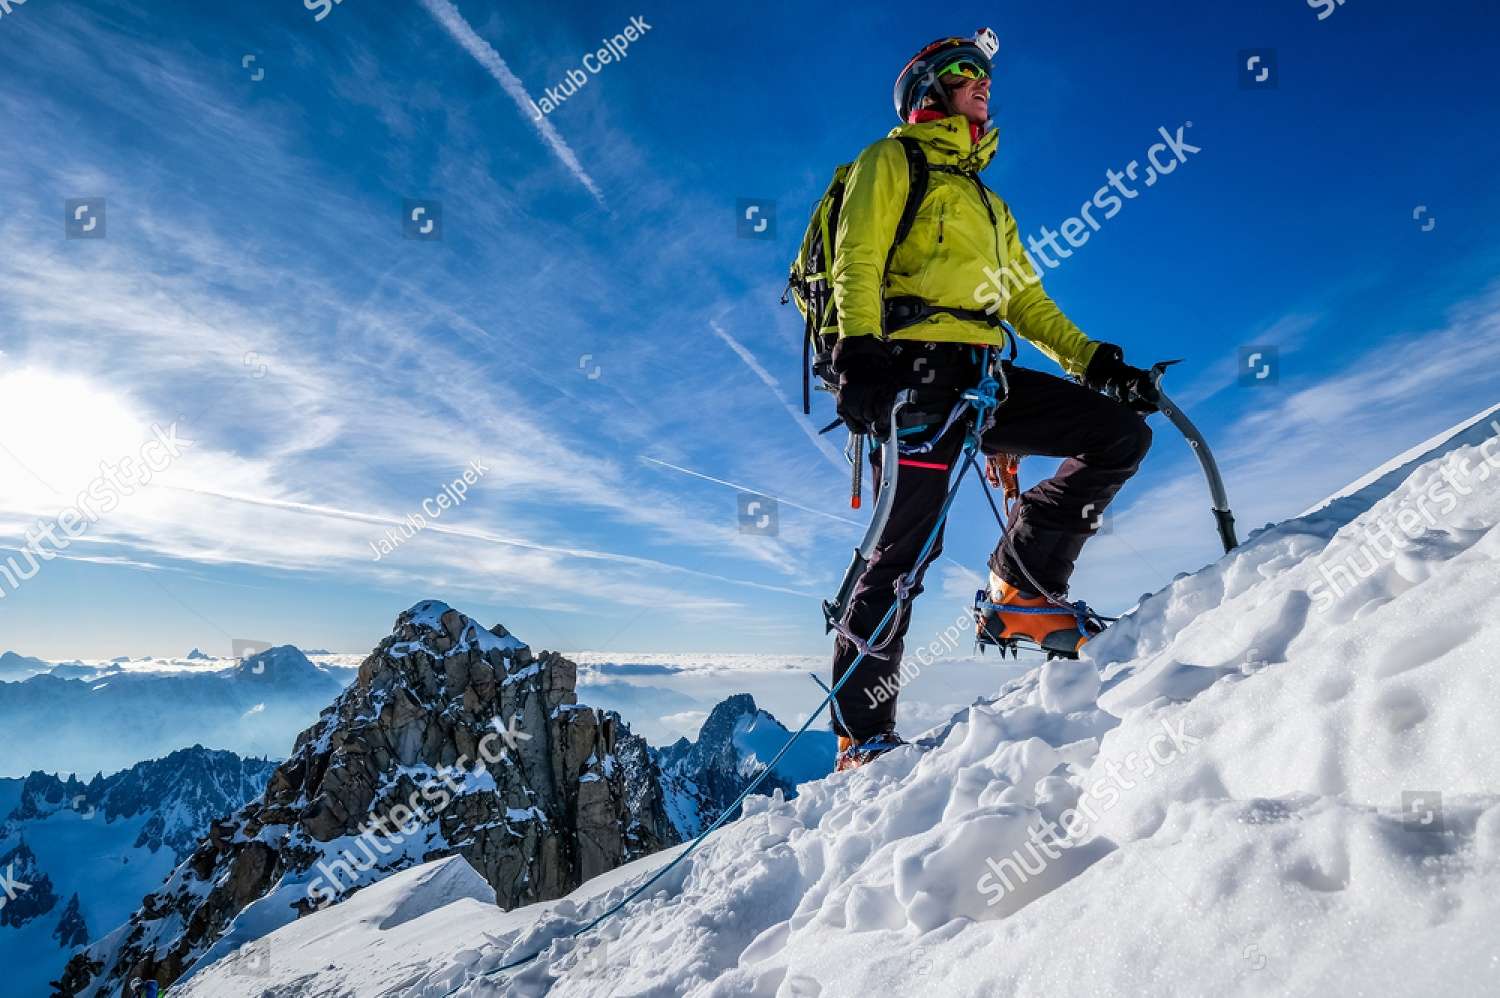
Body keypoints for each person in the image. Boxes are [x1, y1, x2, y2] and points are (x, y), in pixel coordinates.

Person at [828, 29, 1158, 771]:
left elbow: (1026, 303)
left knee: (1118, 435)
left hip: (982, 375)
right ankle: (862, 736)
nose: (981, 80)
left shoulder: (987, 202)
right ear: (925, 93)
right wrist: (858, 349)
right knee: (903, 551)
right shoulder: (893, 161)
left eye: (983, 73)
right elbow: (858, 255)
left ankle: (1021, 588)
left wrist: (1096, 362)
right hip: (909, 371)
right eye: (962, 71)